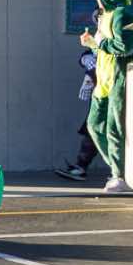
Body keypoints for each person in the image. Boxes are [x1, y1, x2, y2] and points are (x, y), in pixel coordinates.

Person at [83, 0, 133, 193]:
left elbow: (126, 46)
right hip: (103, 81)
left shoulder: (121, 15)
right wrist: (92, 44)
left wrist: (100, 43)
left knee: (115, 129)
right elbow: (104, 47)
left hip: (118, 79)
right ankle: (121, 169)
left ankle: (121, 175)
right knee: (95, 126)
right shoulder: (104, 17)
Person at [55, 46, 101, 181]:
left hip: (115, 90)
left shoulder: (118, 40)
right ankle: (81, 166)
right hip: (100, 92)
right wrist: (86, 59)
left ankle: (119, 173)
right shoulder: (101, 38)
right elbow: (89, 53)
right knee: (92, 128)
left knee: (110, 132)